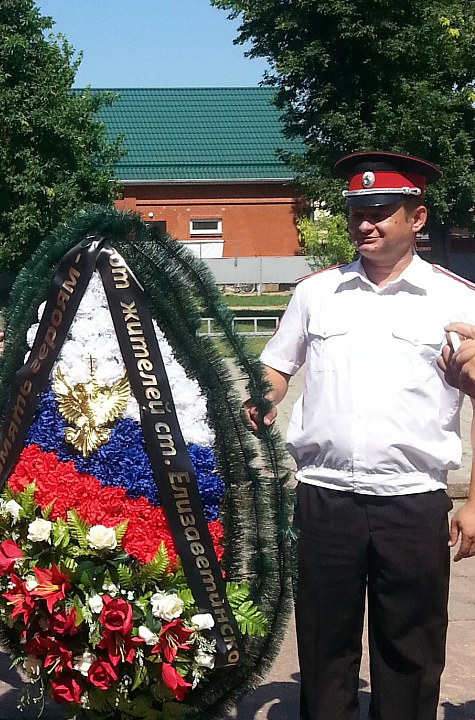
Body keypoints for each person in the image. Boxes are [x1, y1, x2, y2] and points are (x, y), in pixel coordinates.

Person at [243, 152, 475, 720]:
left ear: (416, 219)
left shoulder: (459, 300)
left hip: (412, 500)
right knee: (325, 647)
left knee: (411, 652)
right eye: (356, 211)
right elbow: (277, 367)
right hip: (325, 498)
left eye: (380, 211)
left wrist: (474, 502)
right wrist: (261, 396)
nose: (364, 223)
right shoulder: (316, 293)